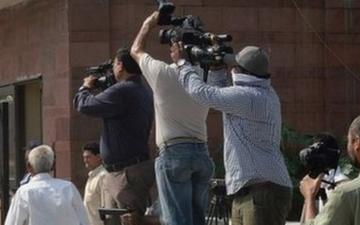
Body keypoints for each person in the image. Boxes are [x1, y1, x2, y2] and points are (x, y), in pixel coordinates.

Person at [175, 44, 293, 225]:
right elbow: (222, 95)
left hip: (262, 192)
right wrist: (216, 69)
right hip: (251, 191)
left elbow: (202, 93)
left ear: (240, 71)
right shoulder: (263, 92)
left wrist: (183, 63)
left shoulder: (249, 96)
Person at [130, 11, 217, 225]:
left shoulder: (162, 73)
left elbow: (135, 50)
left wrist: (148, 23)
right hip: (202, 153)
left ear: (175, 47)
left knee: (177, 221)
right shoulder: (206, 77)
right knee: (198, 220)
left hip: (174, 153)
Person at [74, 47, 155, 224]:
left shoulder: (124, 91)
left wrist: (86, 87)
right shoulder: (140, 90)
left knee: (129, 220)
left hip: (126, 174)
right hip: (126, 170)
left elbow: (85, 105)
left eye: (114, 65)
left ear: (120, 66)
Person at [300, 112, 360, 225]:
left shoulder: (346, 193)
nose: (347, 146)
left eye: (349, 140)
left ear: (357, 142)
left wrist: (309, 198)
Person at [4, 145, 89, 225]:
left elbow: (12, 222)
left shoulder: (24, 192)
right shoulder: (68, 188)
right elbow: (84, 220)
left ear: (29, 167)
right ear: (53, 166)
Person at [82, 142, 107, 225]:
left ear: (99, 157)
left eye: (88, 157)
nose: (85, 160)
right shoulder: (92, 176)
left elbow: (105, 208)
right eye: (84, 157)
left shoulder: (103, 176)